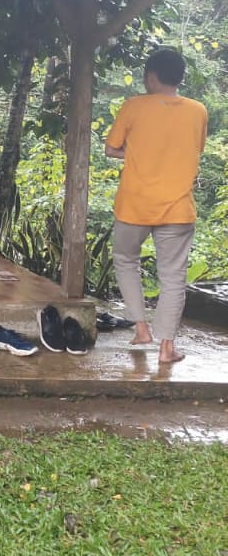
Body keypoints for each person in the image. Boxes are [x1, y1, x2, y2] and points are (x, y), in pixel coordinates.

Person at [105, 48, 208, 365]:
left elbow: (112, 149)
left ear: (151, 77)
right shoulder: (198, 111)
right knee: (173, 279)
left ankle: (141, 328)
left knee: (125, 260)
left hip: (134, 206)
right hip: (177, 209)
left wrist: (135, 154)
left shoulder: (133, 107)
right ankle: (166, 349)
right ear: (179, 77)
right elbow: (195, 150)